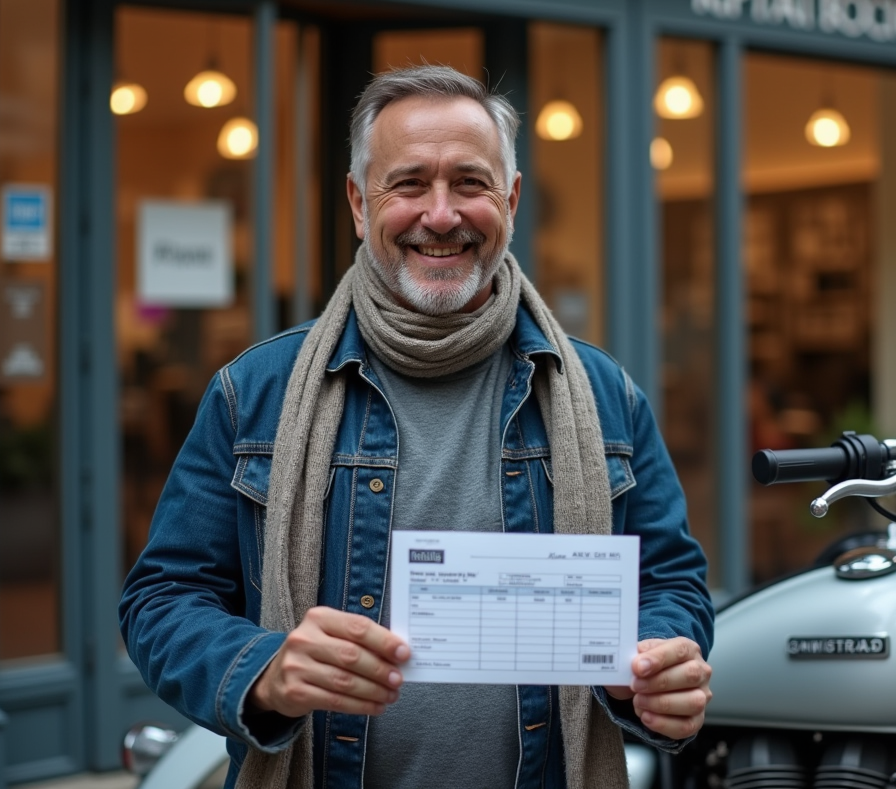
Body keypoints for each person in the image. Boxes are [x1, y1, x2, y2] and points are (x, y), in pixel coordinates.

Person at [120, 65, 714, 789]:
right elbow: (162, 599)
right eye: (408, 184)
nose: (441, 214)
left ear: (511, 199)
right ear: (359, 204)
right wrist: (264, 671)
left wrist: (659, 653)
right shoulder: (254, 394)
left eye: (470, 182)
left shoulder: (603, 392)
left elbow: (671, 579)